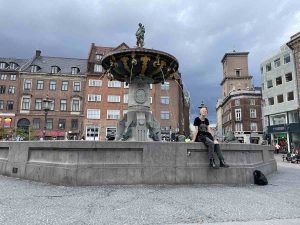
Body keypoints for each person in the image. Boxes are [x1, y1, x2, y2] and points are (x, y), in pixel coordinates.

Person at [192, 103, 229, 169]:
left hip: (207, 136)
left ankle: (222, 161)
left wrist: (214, 139)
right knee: (211, 143)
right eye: (203, 111)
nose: (204, 112)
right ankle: (211, 161)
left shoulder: (206, 120)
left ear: (207, 113)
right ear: (200, 112)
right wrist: (193, 140)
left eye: (205, 111)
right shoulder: (196, 119)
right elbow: (196, 130)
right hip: (200, 136)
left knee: (216, 144)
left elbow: (209, 131)